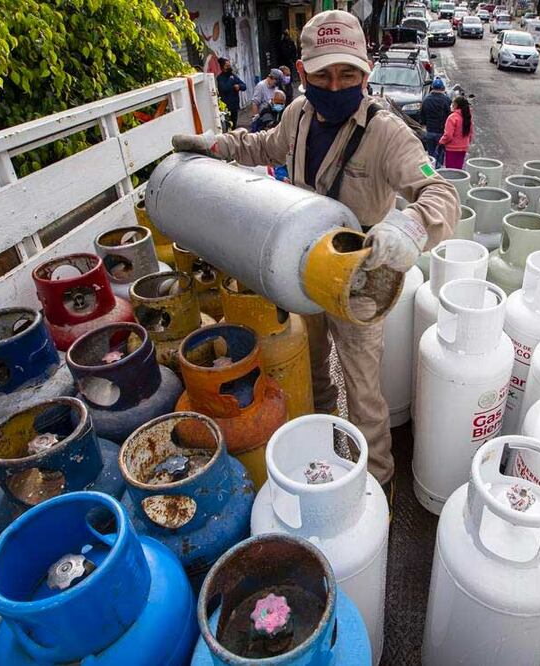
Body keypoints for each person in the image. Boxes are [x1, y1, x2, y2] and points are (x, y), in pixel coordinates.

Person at [172, 10, 460, 492]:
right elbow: (264, 146)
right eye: (323, 74)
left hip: (358, 277)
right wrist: (218, 146)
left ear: (365, 73)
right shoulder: (298, 115)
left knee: (364, 389)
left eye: (348, 74)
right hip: (301, 269)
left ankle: (376, 484)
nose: (336, 84)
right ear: (303, 73)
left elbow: (440, 192)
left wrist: (410, 227)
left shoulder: (387, 133)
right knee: (313, 364)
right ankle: (327, 443)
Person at [420, 78, 451, 167]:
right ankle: (439, 173)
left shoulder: (426, 100)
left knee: (430, 156)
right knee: (440, 156)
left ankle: (430, 175)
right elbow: (450, 116)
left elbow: (422, 116)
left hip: (429, 131)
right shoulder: (447, 100)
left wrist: (425, 125)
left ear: (432, 87)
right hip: (441, 133)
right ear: (442, 88)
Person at [439, 95, 473, 168]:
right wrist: (466, 142)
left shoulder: (452, 117)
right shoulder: (467, 116)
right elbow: (470, 133)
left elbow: (448, 135)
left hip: (452, 148)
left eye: (453, 103)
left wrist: (441, 142)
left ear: (456, 105)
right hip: (463, 147)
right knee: (458, 169)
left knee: (451, 170)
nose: (451, 105)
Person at [215, 58, 247, 130]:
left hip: (234, 106)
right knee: (227, 126)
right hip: (226, 107)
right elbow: (224, 89)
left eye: (229, 65)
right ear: (223, 67)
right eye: (227, 66)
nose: (229, 67)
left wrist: (239, 86)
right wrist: (231, 80)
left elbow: (244, 86)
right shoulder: (220, 78)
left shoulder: (232, 75)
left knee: (234, 125)